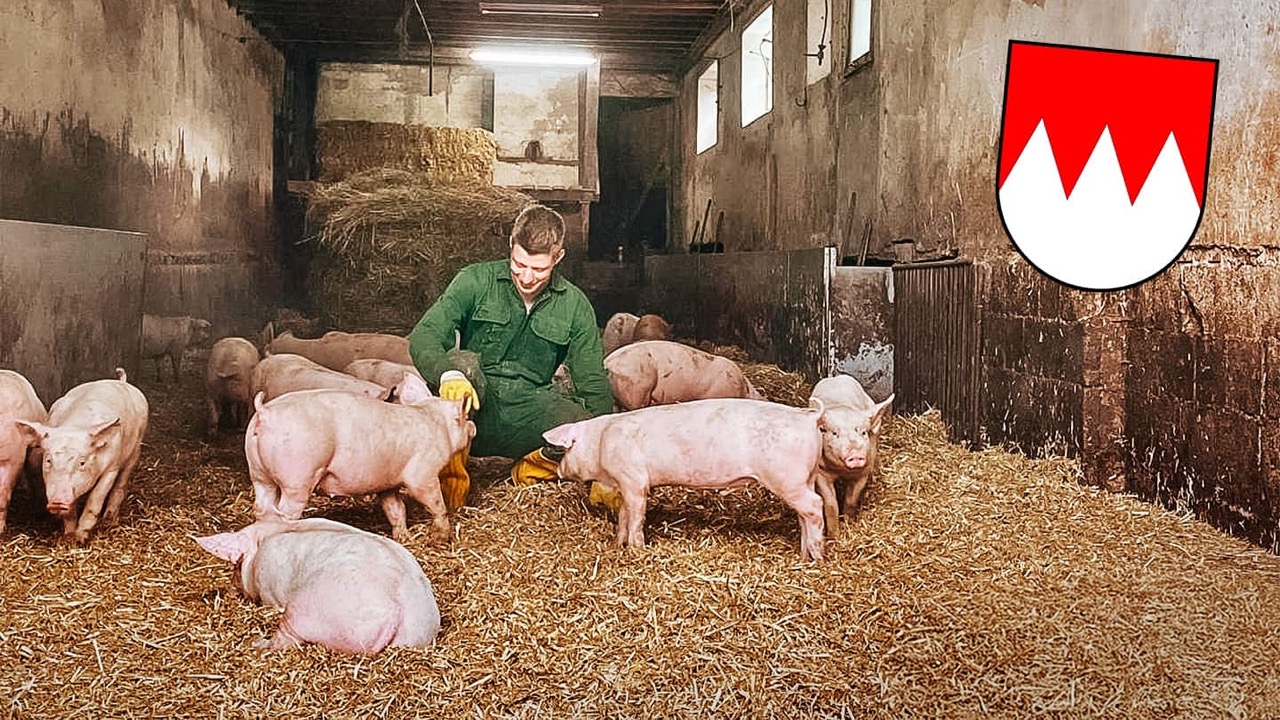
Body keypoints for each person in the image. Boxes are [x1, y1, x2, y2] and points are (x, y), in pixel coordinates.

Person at [408, 204, 615, 511]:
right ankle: (450, 488)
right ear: (511, 245)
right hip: (473, 405)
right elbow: (425, 335)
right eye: (519, 264)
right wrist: (447, 375)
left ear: (558, 257)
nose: (527, 277)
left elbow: (593, 382)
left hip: (531, 410)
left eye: (539, 269)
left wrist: (605, 458)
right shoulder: (475, 280)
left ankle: (531, 468)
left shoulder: (574, 305)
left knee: (585, 426)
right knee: (464, 366)